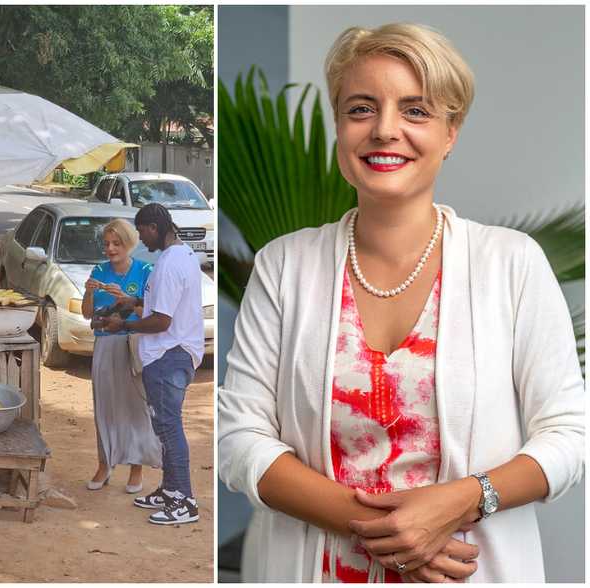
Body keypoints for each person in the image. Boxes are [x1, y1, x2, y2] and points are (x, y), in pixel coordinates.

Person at [218, 23, 584, 582]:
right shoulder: (283, 265)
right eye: (361, 108)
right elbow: (239, 436)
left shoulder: (511, 264)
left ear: (451, 131)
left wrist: (464, 501)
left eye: (416, 111)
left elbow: (569, 436)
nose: (385, 130)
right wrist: (391, 531)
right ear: (339, 124)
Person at [103, 203, 205, 525]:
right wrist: (134, 303)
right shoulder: (181, 255)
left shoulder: (171, 264)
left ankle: (185, 501)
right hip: (173, 353)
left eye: (142, 231)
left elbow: (162, 321)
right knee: (164, 427)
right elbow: (162, 306)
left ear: (155, 226)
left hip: (168, 355)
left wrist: (125, 325)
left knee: (169, 427)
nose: (141, 239)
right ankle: (170, 490)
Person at [82, 219, 161, 494]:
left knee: (135, 408)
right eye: (106, 244)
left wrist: (126, 300)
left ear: (129, 244)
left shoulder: (145, 271)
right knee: (104, 407)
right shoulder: (99, 271)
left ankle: (136, 468)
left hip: (133, 345)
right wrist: (91, 292)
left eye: (116, 243)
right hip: (104, 345)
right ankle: (105, 464)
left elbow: (150, 314)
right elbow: (87, 313)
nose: (110, 249)